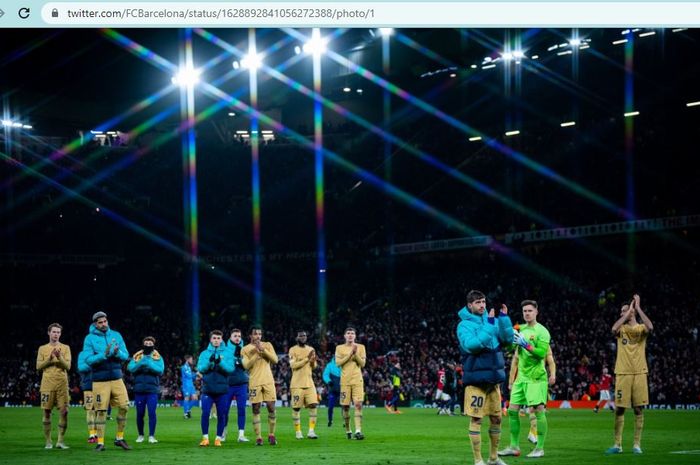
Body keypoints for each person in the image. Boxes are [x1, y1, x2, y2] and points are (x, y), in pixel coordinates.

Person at [457, 290, 514, 465]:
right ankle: (478, 460)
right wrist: (490, 325)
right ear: (469, 305)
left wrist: (503, 320)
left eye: (483, 302)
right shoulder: (463, 325)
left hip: (494, 380)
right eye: (478, 303)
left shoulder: (493, 321)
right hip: (476, 382)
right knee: (477, 419)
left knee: (497, 418)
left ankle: (494, 458)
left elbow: (508, 341)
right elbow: (472, 345)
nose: (482, 305)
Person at [499, 300, 551, 459]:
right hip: (521, 379)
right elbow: (507, 345)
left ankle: (540, 448)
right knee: (512, 411)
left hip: (536, 378)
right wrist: (504, 323)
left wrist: (526, 344)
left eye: (530, 310)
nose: (527, 313)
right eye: (524, 311)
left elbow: (542, 353)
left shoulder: (542, 331)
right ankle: (514, 446)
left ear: (536, 312)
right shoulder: (519, 328)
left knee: (539, 411)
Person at [605, 294, 653, 455]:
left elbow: (650, 327)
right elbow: (613, 329)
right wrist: (627, 312)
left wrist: (637, 308)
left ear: (632, 312)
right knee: (619, 409)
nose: (621, 314)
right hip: (622, 372)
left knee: (638, 409)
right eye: (621, 312)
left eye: (624, 311)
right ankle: (617, 445)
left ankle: (637, 445)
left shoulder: (641, 330)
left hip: (639, 372)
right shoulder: (622, 329)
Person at [83, 311, 131, 451]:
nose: (103, 324)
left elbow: (126, 355)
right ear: (95, 324)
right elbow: (88, 359)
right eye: (100, 322)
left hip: (117, 378)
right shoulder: (89, 339)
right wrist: (104, 355)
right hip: (99, 381)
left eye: (105, 321)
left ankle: (119, 438)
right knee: (101, 411)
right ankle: (101, 442)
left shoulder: (116, 335)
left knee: (124, 407)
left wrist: (117, 353)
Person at [508, 346, 556, 445]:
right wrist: (511, 381)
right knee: (525, 409)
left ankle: (532, 434)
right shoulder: (522, 342)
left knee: (534, 408)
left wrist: (553, 374)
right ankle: (529, 436)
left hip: (536, 380)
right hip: (526, 381)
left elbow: (550, 360)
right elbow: (515, 362)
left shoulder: (543, 343)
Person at [36, 323, 72, 449]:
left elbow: (68, 366)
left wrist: (59, 356)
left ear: (60, 334)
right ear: (49, 333)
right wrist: (50, 358)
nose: (56, 334)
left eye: (58, 332)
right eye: (54, 332)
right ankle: (48, 442)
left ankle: (60, 441)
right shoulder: (42, 348)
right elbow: (38, 366)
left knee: (64, 411)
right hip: (47, 384)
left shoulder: (65, 348)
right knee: (46, 412)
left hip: (62, 384)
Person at [242, 326, 279, 446]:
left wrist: (264, 350)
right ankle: (258, 437)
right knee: (256, 408)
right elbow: (246, 366)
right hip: (254, 381)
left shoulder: (267, 345)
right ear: (251, 336)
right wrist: (256, 354)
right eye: (255, 334)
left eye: (259, 334)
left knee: (271, 407)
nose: (258, 336)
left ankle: (271, 434)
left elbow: (275, 360)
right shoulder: (245, 349)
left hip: (268, 380)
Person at [197, 330, 234, 447]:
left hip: (222, 390)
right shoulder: (204, 354)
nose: (216, 340)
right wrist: (210, 362)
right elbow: (201, 368)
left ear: (222, 339)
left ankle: (218, 438)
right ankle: (205, 438)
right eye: (214, 338)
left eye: (218, 338)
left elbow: (230, 369)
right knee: (205, 413)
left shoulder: (228, 353)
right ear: (210, 339)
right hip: (207, 389)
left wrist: (220, 362)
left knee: (222, 414)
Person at [127, 336, 164, 444]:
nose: (148, 345)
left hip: (152, 390)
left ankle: (151, 436)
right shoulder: (137, 356)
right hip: (139, 390)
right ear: (143, 344)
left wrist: (148, 364)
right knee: (140, 414)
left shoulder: (158, 357)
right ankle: (141, 435)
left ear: (153, 345)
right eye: (146, 343)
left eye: (150, 344)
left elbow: (160, 370)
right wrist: (141, 363)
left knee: (152, 413)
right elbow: (130, 368)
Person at [335, 327, 367, 440]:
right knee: (346, 407)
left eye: (352, 333)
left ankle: (358, 431)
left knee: (358, 404)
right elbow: (338, 363)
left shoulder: (361, 347)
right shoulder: (339, 348)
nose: (350, 335)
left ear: (355, 335)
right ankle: (348, 429)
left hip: (357, 380)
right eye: (348, 333)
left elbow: (363, 364)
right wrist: (350, 355)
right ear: (344, 336)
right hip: (345, 382)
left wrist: (355, 354)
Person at [289, 330, 320, 439]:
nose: (303, 337)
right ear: (297, 337)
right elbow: (293, 366)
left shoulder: (311, 349)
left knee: (313, 405)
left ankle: (311, 431)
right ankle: (298, 432)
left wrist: (312, 360)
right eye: (301, 336)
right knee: (296, 408)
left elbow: (314, 366)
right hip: (297, 383)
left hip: (309, 383)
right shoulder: (292, 350)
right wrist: (307, 359)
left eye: (305, 336)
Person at [222, 328, 250, 443]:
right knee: (224, 410)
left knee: (241, 409)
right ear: (230, 337)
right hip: (228, 384)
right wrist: (237, 360)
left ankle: (241, 435)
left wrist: (240, 361)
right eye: (235, 336)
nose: (237, 338)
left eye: (239, 336)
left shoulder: (245, 349)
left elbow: (247, 366)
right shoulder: (225, 350)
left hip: (242, 384)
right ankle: (223, 433)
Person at [77, 348, 97, 443]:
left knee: (99, 410)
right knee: (90, 410)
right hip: (88, 385)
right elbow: (81, 367)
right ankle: (91, 434)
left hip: (101, 385)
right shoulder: (83, 354)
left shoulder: (101, 353)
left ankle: (97, 433)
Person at [322, 355, 341, 427]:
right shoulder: (329, 365)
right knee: (330, 406)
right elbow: (325, 375)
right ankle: (330, 420)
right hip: (332, 389)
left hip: (342, 389)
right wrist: (328, 381)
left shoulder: (344, 364)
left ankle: (345, 421)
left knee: (344, 406)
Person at [181, 355, 197, 419]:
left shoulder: (189, 368)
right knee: (186, 398)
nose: (192, 361)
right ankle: (186, 413)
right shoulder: (184, 367)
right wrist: (196, 373)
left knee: (195, 398)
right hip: (186, 385)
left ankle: (187, 410)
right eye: (191, 359)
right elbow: (189, 376)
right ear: (187, 360)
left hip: (191, 385)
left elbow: (192, 377)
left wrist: (196, 376)